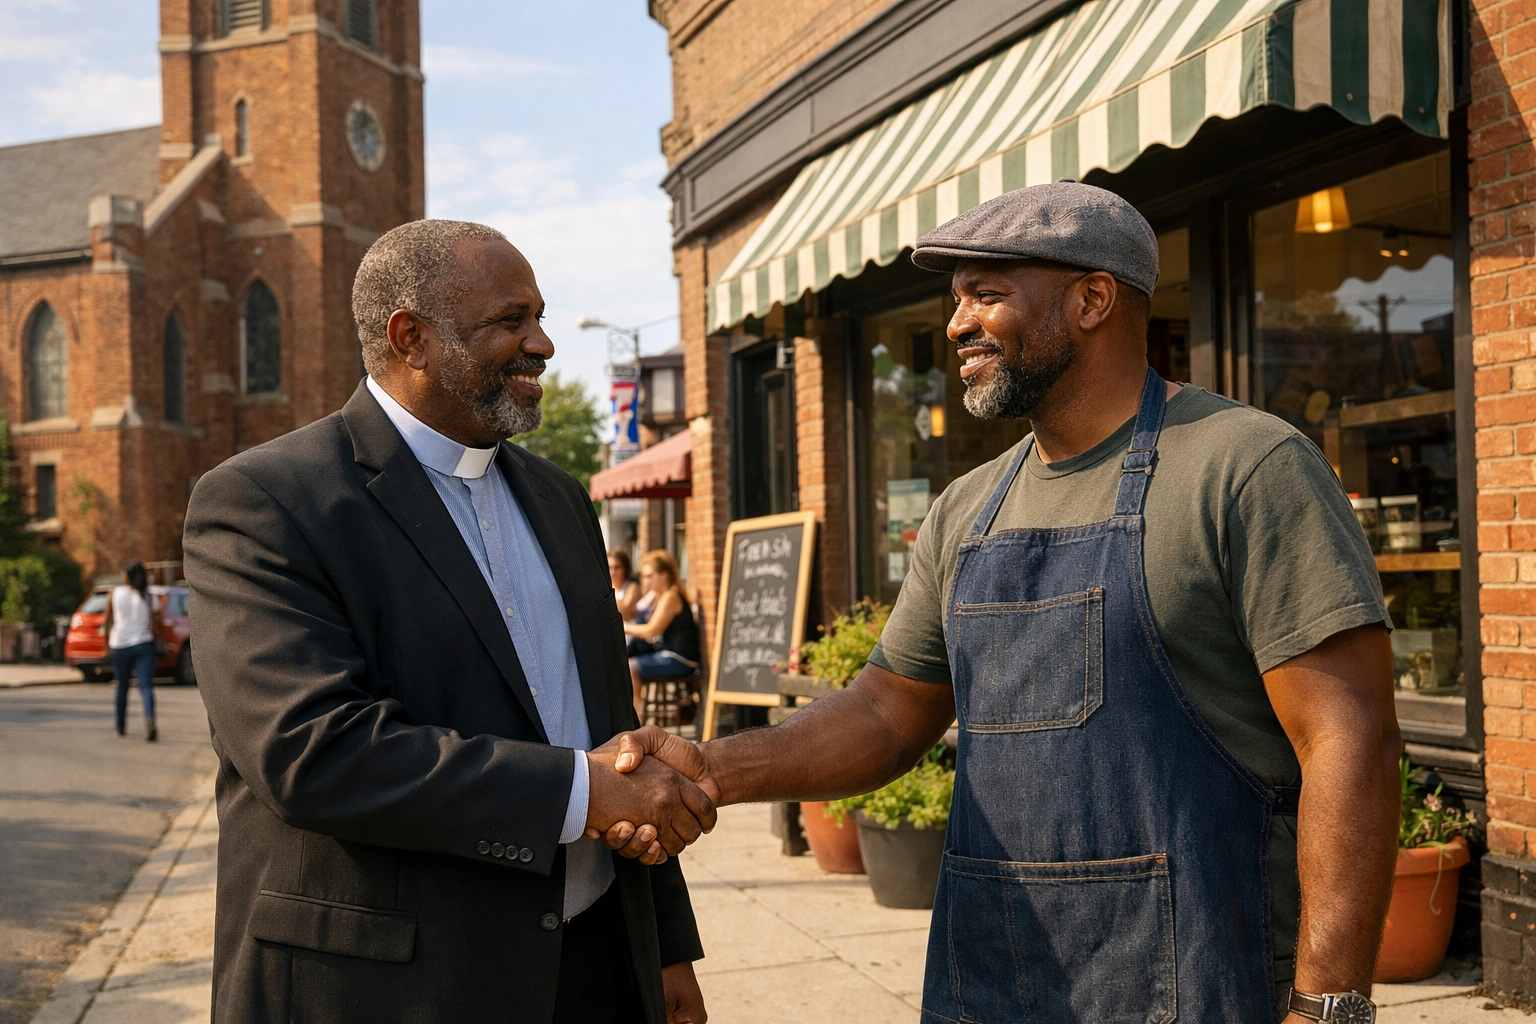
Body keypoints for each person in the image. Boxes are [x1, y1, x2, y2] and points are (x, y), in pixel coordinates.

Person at [604, 183, 1402, 1023]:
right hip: (992, 978)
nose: (956, 326)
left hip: (1202, 974)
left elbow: (1351, 739)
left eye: (986, 294)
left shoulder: (1245, 466)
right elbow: (885, 713)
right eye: (956, 300)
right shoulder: (968, 508)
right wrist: (712, 768)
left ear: (1092, 300)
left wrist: (1328, 1006)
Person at [183, 219, 714, 1024]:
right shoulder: (267, 501)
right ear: (412, 338)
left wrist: (665, 945)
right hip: (395, 989)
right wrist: (582, 792)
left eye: (540, 316)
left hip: (598, 967)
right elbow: (311, 752)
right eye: (510, 321)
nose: (543, 344)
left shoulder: (561, 498)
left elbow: (615, 729)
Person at [622, 551, 700, 721]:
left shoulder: (671, 596)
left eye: (649, 576)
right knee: (625, 660)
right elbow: (637, 611)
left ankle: (636, 717)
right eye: (644, 577)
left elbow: (651, 630)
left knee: (630, 666)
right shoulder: (659, 596)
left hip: (680, 659)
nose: (645, 581)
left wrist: (626, 628)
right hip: (668, 654)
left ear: (664, 575)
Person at [102, 560, 159, 742]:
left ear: (127, 575)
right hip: (143, 644)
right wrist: (163, 641)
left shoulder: (115, 593)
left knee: (122, 686)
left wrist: (105, 643)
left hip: (120, 644)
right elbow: (156, 622)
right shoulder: (148, 595)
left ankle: (120, 725)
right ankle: (149, 719)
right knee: (146, 686)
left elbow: (107, 621)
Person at [609, 548, 641, 621]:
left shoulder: (632, 587)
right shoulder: (606, 587)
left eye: (617, 567)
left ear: (625, 568)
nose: (613, 572)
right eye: (610, 567)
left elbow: (625, 611)